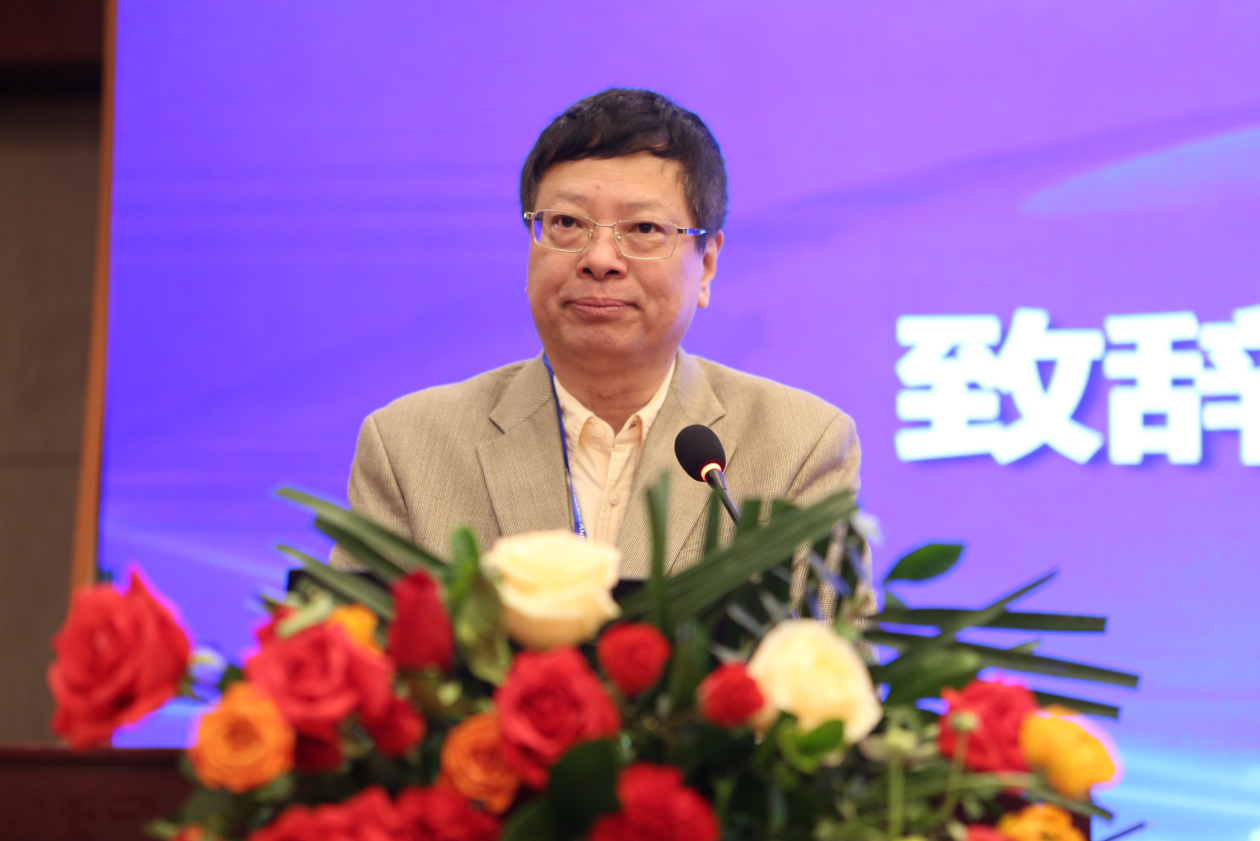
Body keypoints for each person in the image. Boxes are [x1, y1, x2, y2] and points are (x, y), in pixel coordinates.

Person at [330, 88, 861, 584]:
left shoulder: (799, 447)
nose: (600, 259)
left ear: (706, 266)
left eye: (644, 229)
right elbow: (354, 646)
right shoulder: (409, 448)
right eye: (567, 223)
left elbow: (827, 647)